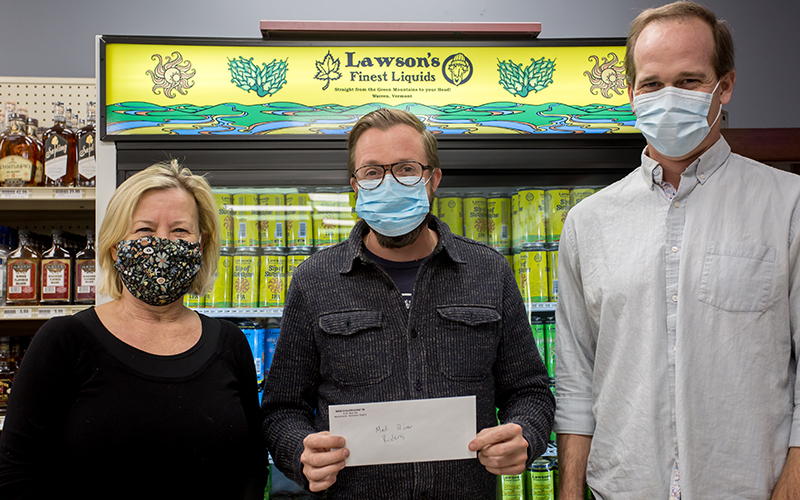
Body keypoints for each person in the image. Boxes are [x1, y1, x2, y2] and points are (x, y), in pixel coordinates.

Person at [554, 2, 800, 499]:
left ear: (724, 86)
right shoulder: (588, 222)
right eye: (651, 83)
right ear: (631, 93)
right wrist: (570, 491)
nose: (668, 97)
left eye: (689, 81)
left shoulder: (788, 205)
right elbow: (576, 380)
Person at [262, 108, 555, 498]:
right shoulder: (314, 280)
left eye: (405, 169)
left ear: (433, 179)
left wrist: (526, 435)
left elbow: (530, 391)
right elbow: (282, 407)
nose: (389, 183)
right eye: (372, 172)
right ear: (355, 186)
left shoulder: (490, 272)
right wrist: (300, 452)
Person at [0, 161, 269, 499]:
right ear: (116, 247)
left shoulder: (231, 343)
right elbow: (18, 474)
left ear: (200, 247)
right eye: (144, 230)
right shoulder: (63, 342)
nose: (162, 244)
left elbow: (251, 467)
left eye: (180, 231)